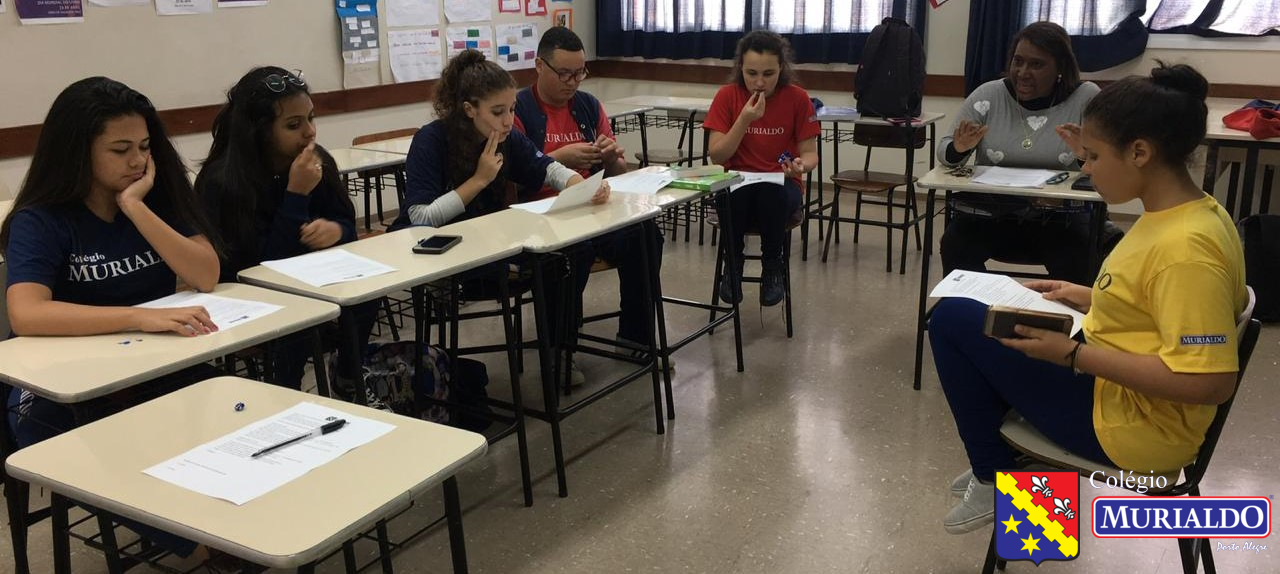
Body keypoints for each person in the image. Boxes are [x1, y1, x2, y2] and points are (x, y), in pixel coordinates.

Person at [930, 63, 1246, 535]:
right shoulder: (1193, 212)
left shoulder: (1185, 250)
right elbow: (1163, 304)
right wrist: (1090, 297)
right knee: (980, 317)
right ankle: (1015, 478)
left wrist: (1073, 356)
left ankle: (996, 475)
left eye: (1094, 156)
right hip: (1126, 397)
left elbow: (1210, 383)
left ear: (1139, 152)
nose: (1085, 168)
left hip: (1135, 428)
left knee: (951, 321)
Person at [0, 76, 221, 557]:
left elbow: (205, 274)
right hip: (59, 383)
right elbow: (27, 312)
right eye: (120, 150)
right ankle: (195, 543)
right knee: (81, 440)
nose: (138, 161)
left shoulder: (154, 198)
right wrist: (136, 318)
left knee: (228, 403)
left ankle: (224, 516)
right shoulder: (42, 219)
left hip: (148, 364)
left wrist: (134, 208)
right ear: (78, 152)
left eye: (144, 147)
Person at [390, 49, 609, 385]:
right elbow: (419, 217)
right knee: (552, 262)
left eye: (512, 109)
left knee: (574, 251)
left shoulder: (505, 137)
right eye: (498, 112)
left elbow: (545, 167)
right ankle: (554, 351)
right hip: (443, 251)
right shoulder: (431, 140)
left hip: (489, 242)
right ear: (469, 109)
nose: (508, 120)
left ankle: (559, 351)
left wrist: (579, 184)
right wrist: (478, 180)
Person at [196, 66, 376, 393]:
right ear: (260, 131)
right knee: (298, 320)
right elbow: (259, 267)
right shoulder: (223, 182)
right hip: (250, 292)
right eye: (294, 125)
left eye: (311, 118)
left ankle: (349, 379)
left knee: (366, 294)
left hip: (311, 277)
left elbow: (347, 223)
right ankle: (286, 396)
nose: (310, 132)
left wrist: (337, 231)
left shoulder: (316, 161)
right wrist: (296, 194)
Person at [513, 26, 665, 366]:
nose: (572, 82)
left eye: (579, 73)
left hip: (590, 208)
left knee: (645, 235)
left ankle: (634, 337)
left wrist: (611, 158)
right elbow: (511, 180)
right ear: (539, 66)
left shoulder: (587, 106)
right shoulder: (519, 109)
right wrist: (559, 160)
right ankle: (558, 350)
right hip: (542, 214)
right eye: (564, 73)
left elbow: (619, 175)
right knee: (571, 253)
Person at [937, 22, 1103, 285]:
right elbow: (945, 153)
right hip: (992, 214)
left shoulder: (1086, 97)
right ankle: (979, 307)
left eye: (1037, 65)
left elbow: (1108, 164)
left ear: (1060, 68)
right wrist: (959, 148)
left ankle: (1063, 311)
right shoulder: (989, 95)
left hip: (1061, 219)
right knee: (955, 243)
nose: (1023, 72)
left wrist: (1085, 155)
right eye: (1018, 61)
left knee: (1080, 256)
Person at [705, 30, 819, 307]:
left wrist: (801, 165)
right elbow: (717, 156)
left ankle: (772, 267)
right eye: (751, 73)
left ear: (781, 68)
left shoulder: (797, 98)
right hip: (738, 181)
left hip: (781, 183)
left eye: (768, 74)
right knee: (732, 196)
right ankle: (733, 266)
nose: (759, 82)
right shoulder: (727, 96)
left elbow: (810, 154)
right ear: (740, 69)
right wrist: (744, 119)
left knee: (770, 194)